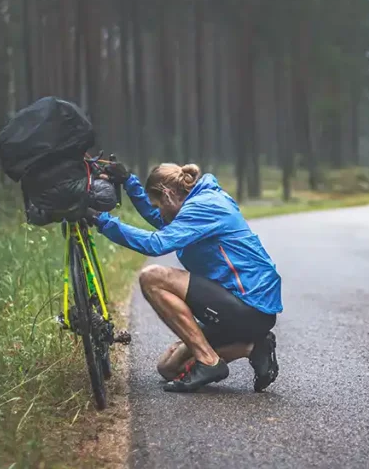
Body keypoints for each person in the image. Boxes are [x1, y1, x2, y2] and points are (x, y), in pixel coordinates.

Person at [88, 162, 281, 393]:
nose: (158, 211)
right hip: (232, 307)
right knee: (168, 368)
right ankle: (253, 347)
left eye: (158, 204)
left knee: (152, 277)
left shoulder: (206, 206)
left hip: (249, 306)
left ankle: (209, 361)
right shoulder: (195, 205)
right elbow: (163, 222)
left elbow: (156, 243)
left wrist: (102, 220)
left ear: (168, 194)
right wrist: (129, 182)